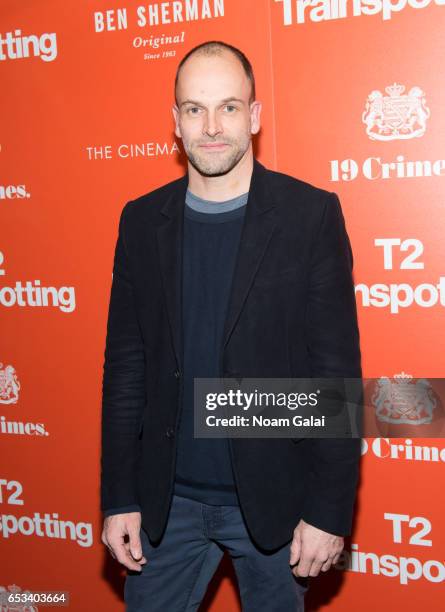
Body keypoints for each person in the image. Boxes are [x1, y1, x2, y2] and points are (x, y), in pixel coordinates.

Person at [100, 40, 362, 611]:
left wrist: (327, 510)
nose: (212, 126)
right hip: (165, 508)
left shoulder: (309, 216)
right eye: (194, 109)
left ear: (256, 115)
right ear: (175, 121)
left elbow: (335, 373)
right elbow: (127, 369)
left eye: (229, 106)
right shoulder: (142, 221)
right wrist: (118, 495)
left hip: (275, 506)